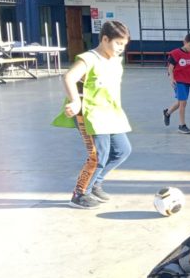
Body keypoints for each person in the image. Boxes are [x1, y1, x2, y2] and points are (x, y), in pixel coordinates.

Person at [52, 20, 133, 209]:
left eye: (124, 45)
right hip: (91, 114)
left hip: (111, 112)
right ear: (105, 39)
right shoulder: (89, 58)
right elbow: (69, 77)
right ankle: (79, 194)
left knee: (122, 150)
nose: (121, 48)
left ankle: (96, 182)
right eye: (118, 43)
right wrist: (75, 100)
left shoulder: (115, 59)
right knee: (99, 154)